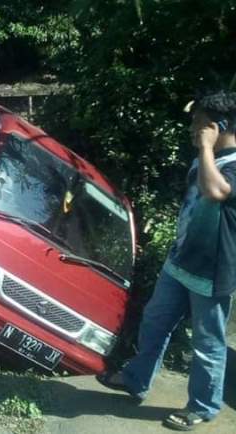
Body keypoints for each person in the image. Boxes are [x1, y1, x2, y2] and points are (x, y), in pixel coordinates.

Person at [97, 90, 236, 431]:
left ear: (217, 127)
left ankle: (203, 407)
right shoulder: (210, 158)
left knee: (206, 344)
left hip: (211, 273)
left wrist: (205, 147)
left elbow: (216, 192)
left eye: (198, 124)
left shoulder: (231, 165)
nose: (192, 129)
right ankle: (136, 379)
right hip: (179, 263)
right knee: (154, 322)